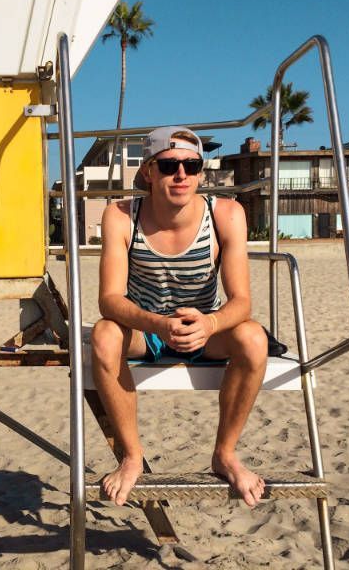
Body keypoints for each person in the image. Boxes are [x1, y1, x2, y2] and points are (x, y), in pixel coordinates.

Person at [91, 126, 268, 508]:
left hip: (206, 331)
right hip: (147, 330)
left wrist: (210, 324)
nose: (182, 175)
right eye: (170, 165)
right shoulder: (121, 216)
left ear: (202, 172)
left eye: (191, 165)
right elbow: (109, 299)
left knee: (253, 338)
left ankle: (225, 453)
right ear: (149, 172)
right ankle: (132, 457)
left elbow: (241, 302)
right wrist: (158, 324)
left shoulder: (227, 214)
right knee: (105, 336)